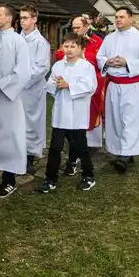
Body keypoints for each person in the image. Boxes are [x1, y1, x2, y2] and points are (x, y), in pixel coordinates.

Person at [96, 7, 139, 173]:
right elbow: (100, 57)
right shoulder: (109, 38)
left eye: (121, 17)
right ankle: (120, 150)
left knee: (130, 119)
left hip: (132, 85)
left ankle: (125, 155)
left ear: (130, 18)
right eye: (116, 17)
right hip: (114, 85)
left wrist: (126, 62)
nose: (118, 20)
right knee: (115, 118)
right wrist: (107, 61)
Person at [39, 33, 97, 194]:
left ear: (80, 49)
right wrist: (56, 85)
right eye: (66, 46)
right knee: (55, 147)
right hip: (61, 113)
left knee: (81, 147)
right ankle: (50, 179)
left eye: (73, 46)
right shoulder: (58, 66)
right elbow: (50, 84)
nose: (69, 49)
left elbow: (90, 87)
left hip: (77, 113)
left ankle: (88, 175)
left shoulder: (86, 67)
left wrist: (69, 85)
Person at [0, 3, 32, 198]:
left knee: (10, 139)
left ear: (9, 18)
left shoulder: (18, 41)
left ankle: (9, 179)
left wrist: (0, 85)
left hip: (7, 98)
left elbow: (24, 71)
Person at [55, 15, 106, 172]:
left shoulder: (96, 41)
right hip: (68, 85)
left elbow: (100, 61)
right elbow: (60, 54)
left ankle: (87, 149)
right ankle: (74, 152)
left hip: (88, 83)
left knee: (85, 119)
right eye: (74, 28)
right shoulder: (70, 41)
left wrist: (83, 57)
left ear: (86, 26)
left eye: (78, 27)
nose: (76, 30)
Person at [19, 4, 50, 175]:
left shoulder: (40, 42)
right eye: (21, 18)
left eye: (25, 18)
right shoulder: (17, 38)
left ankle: (30, 156)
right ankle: (17, 153)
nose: (22, 21)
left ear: (34, 19)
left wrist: (22, 79)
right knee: (17, 121)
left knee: (31, 122)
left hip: (31, 88)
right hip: (15, 88)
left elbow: (42, 67)